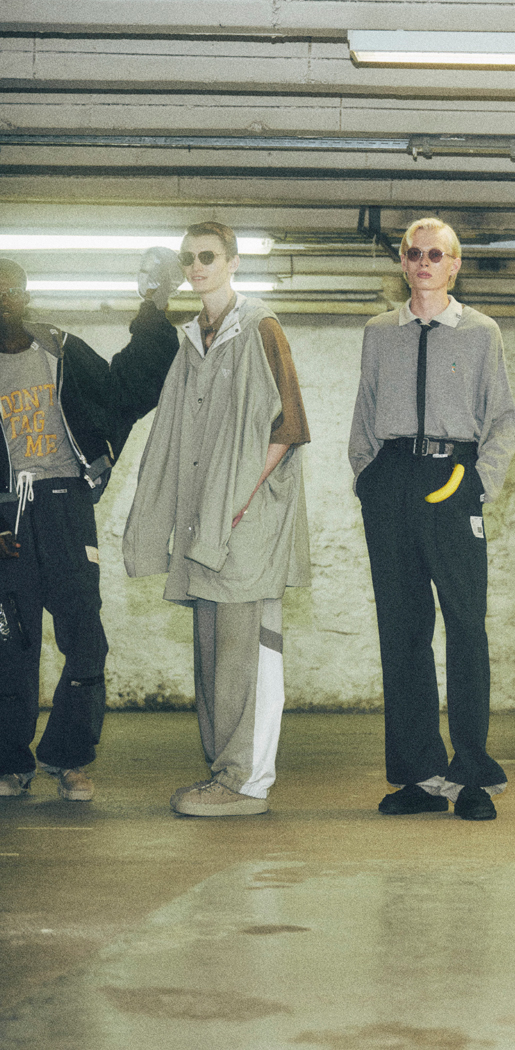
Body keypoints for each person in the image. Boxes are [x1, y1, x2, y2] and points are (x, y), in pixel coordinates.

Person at [123, 222, 311, 817]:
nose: (196, 265)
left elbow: (288, 427)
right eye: (188, 258)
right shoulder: (193, 340)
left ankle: (246, 783)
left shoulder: (261, 327)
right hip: (203, 528)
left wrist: (238, 502)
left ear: (232, 262)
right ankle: (223, 774)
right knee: (210, 657)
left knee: (244, 656)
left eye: (208, 255)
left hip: (244, 526)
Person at [349, 218, 515, 822]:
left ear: (454, 266)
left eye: (436, 255)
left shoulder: (481, 333)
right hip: (392, 479)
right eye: (414, 253)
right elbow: (365, 411)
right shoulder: (379, 333)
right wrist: (368, 478)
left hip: (453, 478)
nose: (424, 263)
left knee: (466, 626)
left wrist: (479, 484)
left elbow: (502, 418)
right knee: (402, 630)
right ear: (402, 262)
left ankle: (471, 774)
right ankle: (420, 775)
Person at [0, 255, 178, 802]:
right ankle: (10, 763)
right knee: (10, 644)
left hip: (65, 504)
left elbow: (123, 387)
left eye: (12, 290)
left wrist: (153, 312)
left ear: (26, 297)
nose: (5, 300)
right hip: (6, 516)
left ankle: (68, 757)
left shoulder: (60, 350)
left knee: (85, 639)